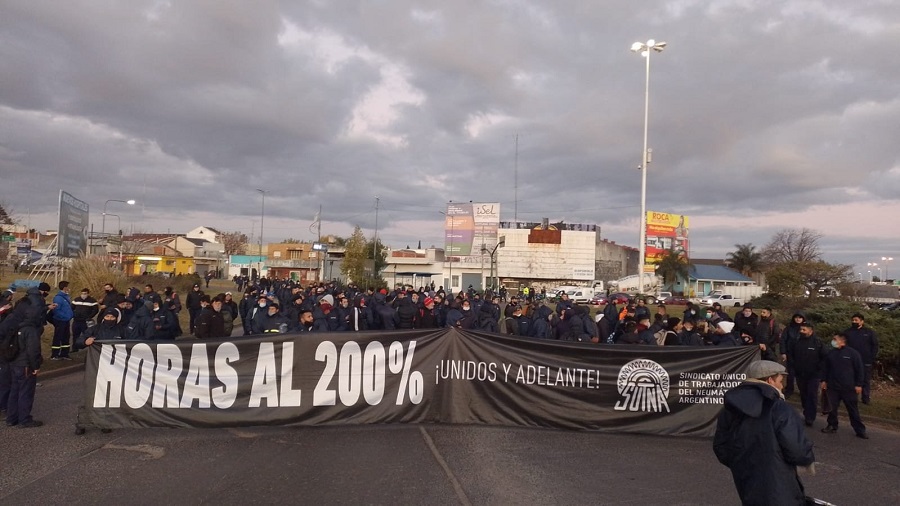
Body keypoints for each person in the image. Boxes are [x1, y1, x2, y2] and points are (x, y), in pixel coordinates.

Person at [714, 361, 815, 505]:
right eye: (780, 381)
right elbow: (797, 450)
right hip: (779, 483)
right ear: (770, 380)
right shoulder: (779, 408)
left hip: (746, 482)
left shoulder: (730, 409)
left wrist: (742, 463)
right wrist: (807, 458)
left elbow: (721, 447)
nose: (782, 386)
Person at [5, 283, 52, 428]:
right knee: (26, 392)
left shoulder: (17, 326)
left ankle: (11, 418)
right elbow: (33, 350)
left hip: (14, 362)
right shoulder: (30, 330)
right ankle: (24, 419)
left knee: (14, 390)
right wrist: (36, 366)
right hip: (25, 365)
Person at [821, 332, 868, 439]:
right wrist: (824, 380)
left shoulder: (853, 354)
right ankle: (832, 425)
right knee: (832, 408)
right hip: (833, 387)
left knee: (853, 410)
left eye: (835, 339)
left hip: (849, 388)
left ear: (842, 341)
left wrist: (859, 385)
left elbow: (860, 370)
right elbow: (825, 368)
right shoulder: (831, 353)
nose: (833, 341)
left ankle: (860, 430)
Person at [787, 322, 827, 426]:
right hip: (800, 374)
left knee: (812, 396)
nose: (801, 331)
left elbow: (824, 357)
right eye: (801, 329)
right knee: (804, 395)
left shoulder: (817, 343)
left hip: (814, 375)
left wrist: (819, 369)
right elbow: (790, 355)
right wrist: (793, 366)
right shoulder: (796, 341)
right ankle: (806, 411)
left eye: (804, 330)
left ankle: (810, 417)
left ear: (810, 331)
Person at [843, 313, 878, 404]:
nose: (854, 322)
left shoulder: (869, 332)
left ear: (862, 321)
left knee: (865, 380)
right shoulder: (847, 332)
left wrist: (871, 357)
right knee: (851, 379)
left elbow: (874, 345)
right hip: (851, 361)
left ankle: (865, 398)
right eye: (853, 320)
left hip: (865, 360)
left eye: (856, 320)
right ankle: (851, 397)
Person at [780, 313, 807, 397]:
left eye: (800, 318)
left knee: (801, 374)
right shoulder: (788, 328)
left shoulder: (806, 328)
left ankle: (803, 390)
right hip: (790, 353)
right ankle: (789, 389)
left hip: (801, 354)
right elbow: (783, 340)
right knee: (790, 374)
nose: (798, 319)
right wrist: (783, 352)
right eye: (796, 317)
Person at [50, 281, 74, 360]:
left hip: (66, 320)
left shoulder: (66, 297)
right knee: (58, 337)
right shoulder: (58, 298)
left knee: (66, 337)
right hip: (60, 320)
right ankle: (55, 354)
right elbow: (56, 310)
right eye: (68, 286)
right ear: (65, 288)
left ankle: (64, 353)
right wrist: (64, 316)